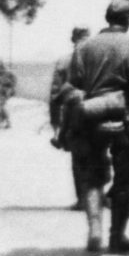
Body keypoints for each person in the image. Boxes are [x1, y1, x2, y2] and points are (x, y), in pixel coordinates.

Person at [67, 0, 129, 253]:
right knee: (124, 181)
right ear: (128, 20)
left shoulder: (84, 47)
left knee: (92, 178)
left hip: (92, 115)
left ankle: (94, 230)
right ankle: (116, 237)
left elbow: (77, 81)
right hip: (125, 118)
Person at [49, 25, 91, 210]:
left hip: (75, 113)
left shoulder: (64, 61)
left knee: (78, 157)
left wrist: (56, 129)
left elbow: (55, 95)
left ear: (73, 39)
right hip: (101, 108)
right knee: (100, 154)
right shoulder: (100, 59)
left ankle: (83, 199)